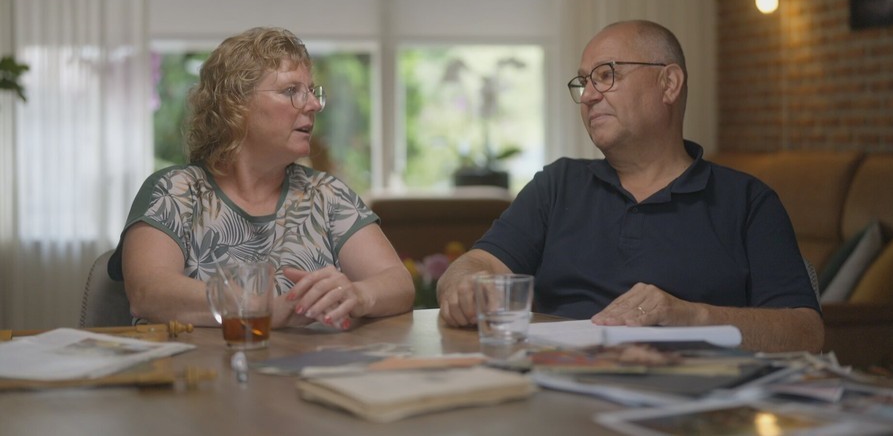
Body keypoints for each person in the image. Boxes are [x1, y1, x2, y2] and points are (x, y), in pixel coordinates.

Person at [437, 20, 824, 353]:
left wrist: (690, 316)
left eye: (606, 75)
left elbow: (805, 333)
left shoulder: (747, 201)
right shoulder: (557, 185)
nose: (589, 96)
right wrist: (465, 286)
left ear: (668, 83)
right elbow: (477, 264)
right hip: (560, 388)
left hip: (693, 398)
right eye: (584, 82)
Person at [108, 27, 414, 330]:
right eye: (291, 91)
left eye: (312, 91)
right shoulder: (173, 192)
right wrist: (258, 310)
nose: (314, 105)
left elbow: (398, 283)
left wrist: (359, 295)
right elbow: (148, 292)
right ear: (235, 105)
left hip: (310, 363)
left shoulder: (328, 194)